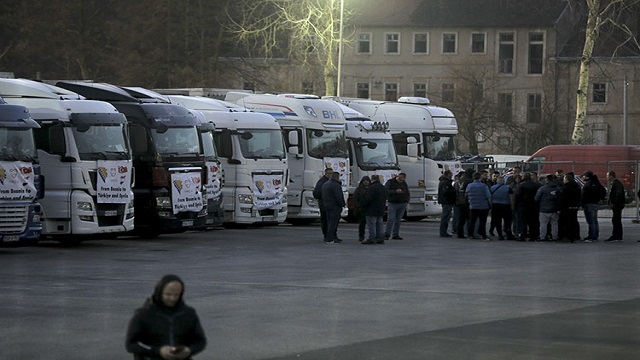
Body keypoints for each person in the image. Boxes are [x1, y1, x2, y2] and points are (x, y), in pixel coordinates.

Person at [126, 274, 207, 360]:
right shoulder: (143, 314)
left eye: (176, 295)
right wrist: (158, 351)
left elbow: (200, 341)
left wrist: (189, 350)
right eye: (168, 294)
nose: (172, 298)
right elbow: (131, 344)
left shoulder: (188, 314)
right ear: (159, 292)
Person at [360, 174, 388, 244]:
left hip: (371, 209)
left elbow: (368, 199)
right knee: (380, 224)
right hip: (381, 208)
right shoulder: (383, 187)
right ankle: (380, 238)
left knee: (371, 224)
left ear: (372, 179)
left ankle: (372, 238)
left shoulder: (371, 188)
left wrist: (363, 205)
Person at [514, 172, 541, 241]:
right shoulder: (537, 185)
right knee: (533, 221)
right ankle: (533, 236)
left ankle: (523, 235)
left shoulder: (520, 185)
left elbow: (517, 196)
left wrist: (516, 204)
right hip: (533, 205)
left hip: (523, 205)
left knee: (523, 221)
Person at [466, 171, 492, 241]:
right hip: (483, 206)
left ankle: (470, 234)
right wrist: (490, 205)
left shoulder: (469, 185)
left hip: (473, 206)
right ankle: (483, 235)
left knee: (472, 221)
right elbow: (488, 196)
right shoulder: (484, 186)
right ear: (480, 177)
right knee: (482, 222)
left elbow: (466, 194)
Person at [581, 170, 606, 242]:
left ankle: (592, 237)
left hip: (589, 204)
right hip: (595, 203)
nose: (583, 177)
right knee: (594, 221)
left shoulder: (588, 184)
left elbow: (584, 195)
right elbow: (603, 191)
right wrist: (600, 198)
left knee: (591, 221)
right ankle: (594, 236)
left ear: (587, 176)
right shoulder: (596, 183)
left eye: (584, 176)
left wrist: (582, 203)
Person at [321, 171, 346, 243]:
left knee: (329, 222)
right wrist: (343, 204)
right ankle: (330, 238)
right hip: (335, 207)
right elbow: (339, 196)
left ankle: (332, 237)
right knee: (333, 223)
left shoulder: (325, 184)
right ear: (337, 177)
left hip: (326, 205)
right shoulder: (336, 186)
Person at [557, 172, 582, 243]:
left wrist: (559, 208)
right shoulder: (577, 187)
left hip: (566, 208)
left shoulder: (565, 188)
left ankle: (565, 237)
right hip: (574, 207)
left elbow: (562, 199)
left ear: (567, 179)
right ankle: (574, 236)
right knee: (573, 222)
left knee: (565, 223)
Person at [535, 174, 560, 242]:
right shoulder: (557, 189)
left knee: (543, 224)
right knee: (554, 224)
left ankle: (542, 237)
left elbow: (537, 199)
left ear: (546, 180)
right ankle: (555, 237)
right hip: (554, 209)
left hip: (544, 209)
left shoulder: (542, 189)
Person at [384, 172, 409, 240]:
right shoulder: (390, 182)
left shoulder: (404, 183)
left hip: (402, 203)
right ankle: (387, 234)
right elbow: (385, 191)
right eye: (400, 179)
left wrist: (406, 201)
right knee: (391, 219)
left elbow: (407, 192)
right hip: (392, 203)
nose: (401, 181)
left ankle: (395, 234)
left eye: (402, 180)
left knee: (398, 220)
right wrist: (395, 191)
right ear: (397, 177)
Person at [490, 176, 515, 240]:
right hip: (506, 206)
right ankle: (507, 233)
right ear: (504, 181)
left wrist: (490, 206)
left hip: (495, 205)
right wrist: (512, 206)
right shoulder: (508, 188)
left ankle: (500, 235)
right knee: (507, 221)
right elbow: (511, 198)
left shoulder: (492, 188)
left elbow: (490, 197)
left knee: (497, 221)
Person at [313, 168, 333, 242]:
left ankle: (328, 235)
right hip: (324, 203)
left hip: (326, 203)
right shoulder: (322, 181)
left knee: (328, 220)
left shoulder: (327, 181)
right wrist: (323, 197)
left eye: (332, 173)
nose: (331, 175)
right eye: (329, 173)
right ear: (326, 173)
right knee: (325, 220)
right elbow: (317, 193)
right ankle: (326, 235)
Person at [606, 171, 625, 242]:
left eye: (607, 176)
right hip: (618, 204)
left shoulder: (616, 184)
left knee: (616, 220)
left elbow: (618, 194)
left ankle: (617, 236)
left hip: (618, 205)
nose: (607, 177)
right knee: (616, 220)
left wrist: (614, 202)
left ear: (611, 176)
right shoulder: (615, 183)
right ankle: (617, 235)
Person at [437, 170, 456, 237]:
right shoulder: (445, 182)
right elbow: (446, 192)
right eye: (451, 174)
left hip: (444, 201)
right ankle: (443, 232)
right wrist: (454, 190)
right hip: (447, 201)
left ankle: (443, 231)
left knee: (446, 216)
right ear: (448, 175)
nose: (451, 176)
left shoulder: (443, 182)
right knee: (446, 217)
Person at [353, 176, 371, 242]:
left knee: (370, 223)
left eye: (367, 180)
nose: (366, 182)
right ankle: (361, 235)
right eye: (364, 181)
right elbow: (355, 198)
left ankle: (371, 235)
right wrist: (358, 206)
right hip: (361, 208)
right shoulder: (359, 189)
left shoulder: (371, 188)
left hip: (369, 208)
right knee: (362, 223)